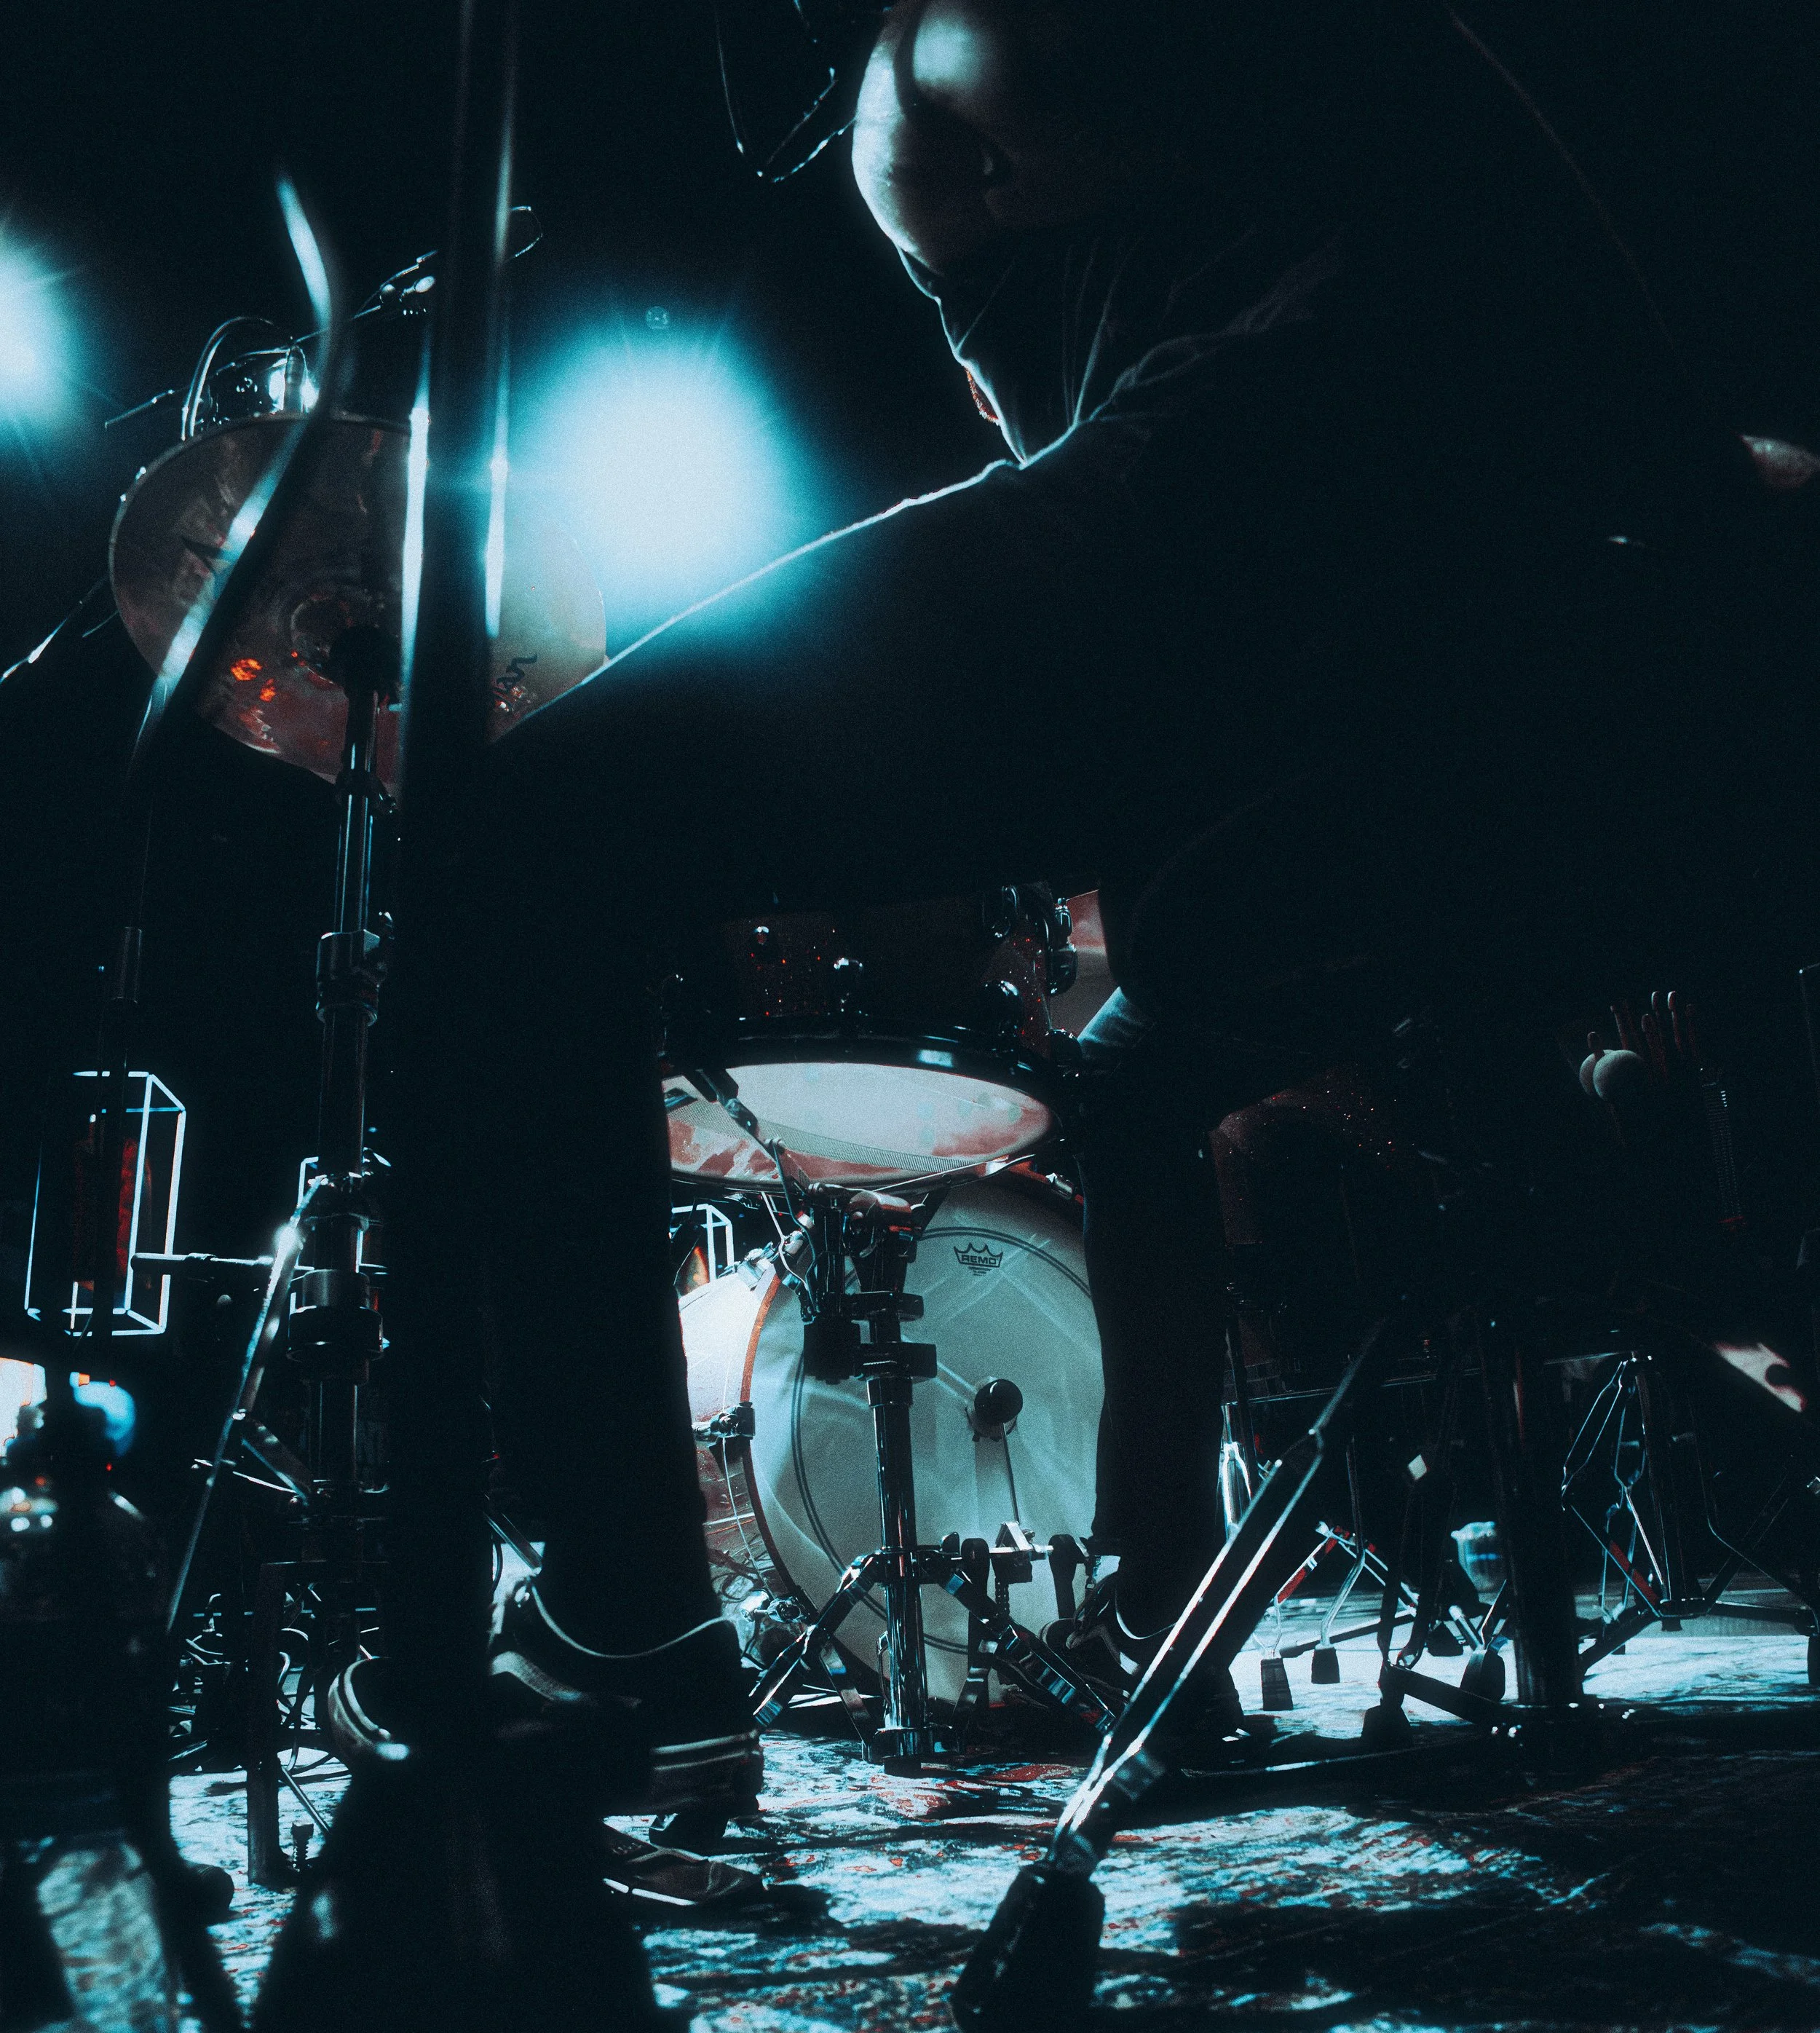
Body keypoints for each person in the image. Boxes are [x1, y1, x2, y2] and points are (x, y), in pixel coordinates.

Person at [332, 1, 1805, 1890]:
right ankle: (1147, 1596)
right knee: (1132, 1070)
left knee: (525, 825)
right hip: (1489, 619)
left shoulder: (1002, 76)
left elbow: (1161, 481)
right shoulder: (1025, 121)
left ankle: (627, 1626)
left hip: (1333, 480)